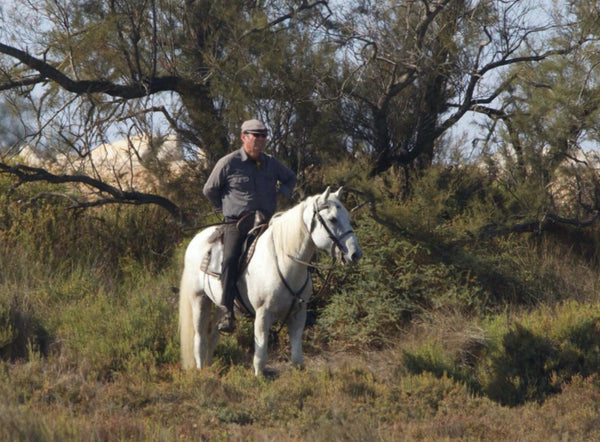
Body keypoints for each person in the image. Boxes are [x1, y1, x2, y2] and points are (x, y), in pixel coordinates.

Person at [203, 119, 297, 332]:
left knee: (296, 248)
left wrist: (282, 194)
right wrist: (224, 207)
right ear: (243, 136)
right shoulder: (228, 162)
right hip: (237, 224)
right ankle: (227, 311)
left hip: (267, 222)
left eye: (263, 135)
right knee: (229, 259)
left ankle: (299, 304)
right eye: (256, 135)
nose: (260, 140)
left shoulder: (271, 163)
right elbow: (209, 189)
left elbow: (290, 178)